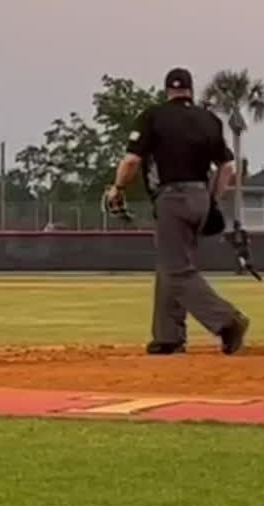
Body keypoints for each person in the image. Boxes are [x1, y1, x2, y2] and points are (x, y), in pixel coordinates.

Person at [104, 68, 251, 355]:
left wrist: (117, 188)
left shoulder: (153, 116)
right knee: (170, 263)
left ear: (167, 90)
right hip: (200, 195)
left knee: (177, 269)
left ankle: (227, 321)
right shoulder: (208, 119)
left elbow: (132, 160)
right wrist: (213, 200)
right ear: (190, 90)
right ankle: (168, 335)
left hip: (172, 197)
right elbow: (228, 167)